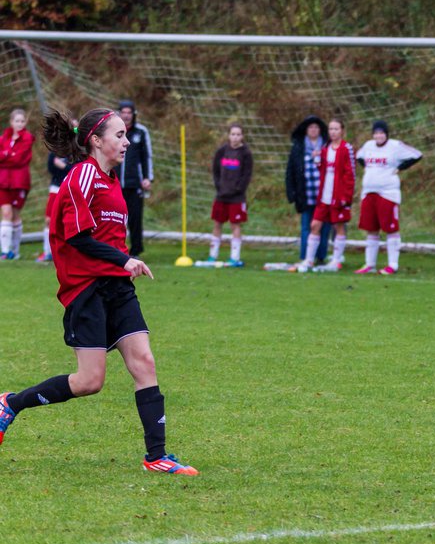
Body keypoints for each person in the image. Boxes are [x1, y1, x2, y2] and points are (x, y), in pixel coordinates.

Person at [0, 107, 198, 476]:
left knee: (145, 363)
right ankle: (11, 403)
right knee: (89, 382)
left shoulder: (111, 182)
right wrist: (123, 260)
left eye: (126, 135)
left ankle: (157, 456)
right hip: (86, 290)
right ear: (96, 139)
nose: (125, 142)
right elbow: (76, 235)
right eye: (119, 135)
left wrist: (122, 265)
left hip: (118, 289)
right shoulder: (81, 177)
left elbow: (107, 238)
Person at [354, 120, 422, 275]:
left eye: (382, 133)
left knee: (390, 229)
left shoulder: (395, 146)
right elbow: (359, 157)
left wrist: (400, 167)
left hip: (388, 194)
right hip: (369, 192)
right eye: (376, 133)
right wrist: (369, 170)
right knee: (371, 229)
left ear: (386, 134)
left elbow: (417, 155)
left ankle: (393, 265)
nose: (379, 136)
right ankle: (369, 264)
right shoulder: (368, 146)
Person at [295, 118, 354, 272]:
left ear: (342, 130)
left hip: (338, 196)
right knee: (315, 225)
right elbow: (321, 168)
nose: (333, 132)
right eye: (330, 129)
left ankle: (335, 261)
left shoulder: (346, 148)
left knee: (338, 226)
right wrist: (317, 159)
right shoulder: (325, 148)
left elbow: (350, 175)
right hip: (324, 196)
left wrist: (346, 198)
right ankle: (308, 260)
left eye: (336, 129)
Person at [285, 115, 331, 264]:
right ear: (306, 130)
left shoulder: (327, 146)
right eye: (310, 127)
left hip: (325, 196)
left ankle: (321, 256)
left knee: (324, 227)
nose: (313, 130)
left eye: (316, 127)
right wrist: (291, 193)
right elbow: (290, 171)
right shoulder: (298, 148)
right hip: (306, 195)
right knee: (307, 226)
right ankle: (305, 256)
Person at [207, 123, 254, 267]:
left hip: (236, 197)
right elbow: (215, 171)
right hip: (221, 195)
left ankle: (234, 257)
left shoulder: (246, 153)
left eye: (238, 134)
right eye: (233, 134)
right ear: (229, 135)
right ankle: (212, 255)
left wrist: (238, 189)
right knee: (217, 223)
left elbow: (247, 175)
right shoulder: (221, 151)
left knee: (235, 225)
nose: (235, 137)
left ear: (242, 136)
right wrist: (220, 187)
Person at [117, 99, 153, 256]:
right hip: (115, 183)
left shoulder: (141, 132)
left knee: (135, 218)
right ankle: (115, 249)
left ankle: (136, 250)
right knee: (115, 218)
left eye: (129, 113)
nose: (126, 116)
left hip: (134, 183)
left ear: (134, 114)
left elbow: (147, 156)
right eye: (123, 113)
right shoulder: (113, 131)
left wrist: (147, 177)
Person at [0, 108, 34, 260]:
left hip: (19, 181)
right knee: (6, 213)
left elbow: (19, 159)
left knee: (14, 214)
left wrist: (6, 156)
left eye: (22, 121)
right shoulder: (4, 138)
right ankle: (6, 252)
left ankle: (15, 250)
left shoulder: (27, 138)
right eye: (17, 121)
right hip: (3, 180)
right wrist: (7, 155)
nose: (19, 124)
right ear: (11, 122)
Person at [35, 148, 72, 263]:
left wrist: (64, 167)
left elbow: (77, 168)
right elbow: (51, 167)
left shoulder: (77, 147)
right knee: (49, 219)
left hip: (70, 188)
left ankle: (64, 253)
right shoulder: (56, 147)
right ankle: (48, 252)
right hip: (55, 187)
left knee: (66, 221)